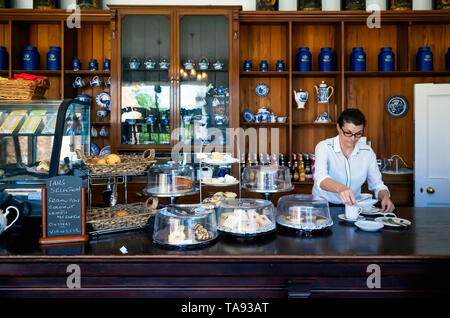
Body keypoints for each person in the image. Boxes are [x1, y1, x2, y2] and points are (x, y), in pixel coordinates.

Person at [312, 108, 395, 212]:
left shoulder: (367, 152)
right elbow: (320, 178)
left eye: (358, 134)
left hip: (353, 207)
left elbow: (377, 184)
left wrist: (385, 197)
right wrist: (340, 188)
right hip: (323, 206)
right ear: (338, 127)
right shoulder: (324, 147)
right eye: (348, 133)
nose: (353, 138)